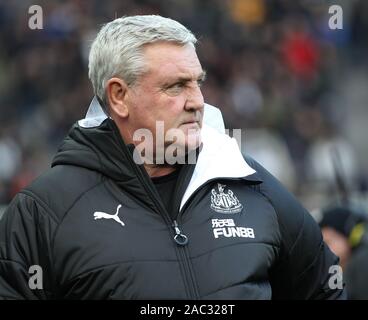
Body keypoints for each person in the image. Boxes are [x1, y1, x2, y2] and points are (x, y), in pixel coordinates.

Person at [0, 15, 345, 300]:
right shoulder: (43, 210)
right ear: (119, 96)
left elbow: (324, 289)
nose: (198, 101)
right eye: (176, 86)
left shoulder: (248, 180)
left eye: (198, 82)